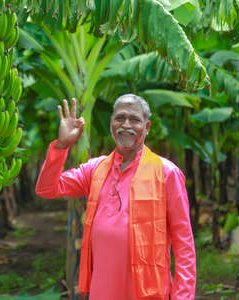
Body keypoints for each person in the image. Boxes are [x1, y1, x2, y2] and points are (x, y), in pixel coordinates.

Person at [35, 95, 196, 300]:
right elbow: (47, 188)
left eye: (134, 119)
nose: (126, 124)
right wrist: (61, 146)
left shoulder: (166, 172)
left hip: (148, 291)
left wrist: (183, 297)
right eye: (120, 118)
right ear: (111, 123)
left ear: (146, 127)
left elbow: (184, 244)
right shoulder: (95, 169)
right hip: (103, 290)